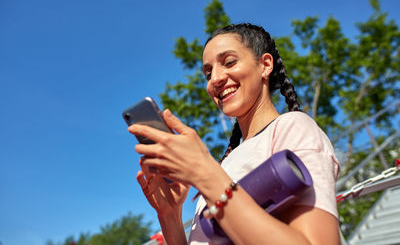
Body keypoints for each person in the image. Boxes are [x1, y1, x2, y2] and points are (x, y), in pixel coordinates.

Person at [129, 23, 340, 245]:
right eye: (208, 73)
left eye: (229, 62)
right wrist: (170, 215)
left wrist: (205, 172)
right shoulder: (226, 163)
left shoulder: (293, 127)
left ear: (265, 65)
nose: (215, 79)